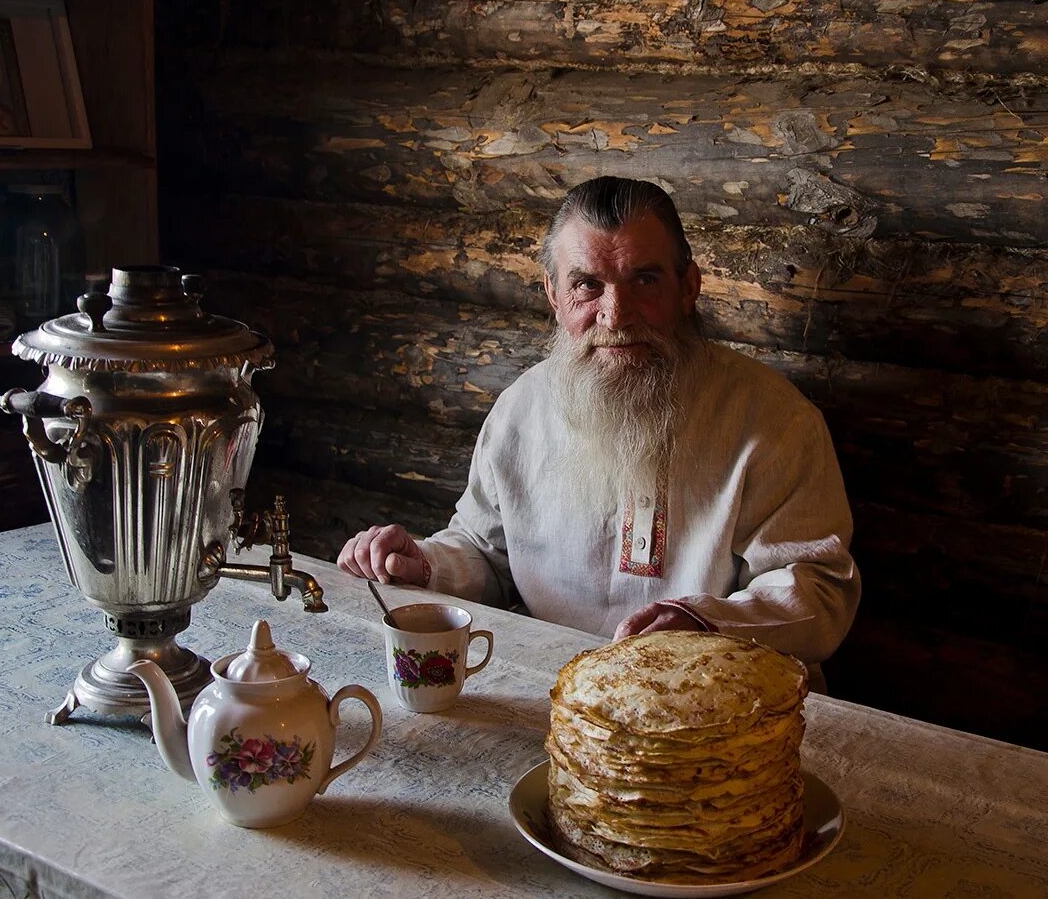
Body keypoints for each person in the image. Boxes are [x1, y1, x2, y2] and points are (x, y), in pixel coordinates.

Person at [337, 177, 860, 682]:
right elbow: (487, 553)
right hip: (553, 691)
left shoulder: (772, 420)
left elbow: (818, 592)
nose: (615, 315)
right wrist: (424, 567)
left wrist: (704, 625)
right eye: (588, 284)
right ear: (554, 295)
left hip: (716, 701)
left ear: (689, 288)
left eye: (645, 280)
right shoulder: (522, 409)